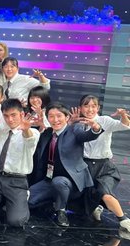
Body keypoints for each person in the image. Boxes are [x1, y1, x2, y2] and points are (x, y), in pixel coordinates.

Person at [29, 103, 103, 227]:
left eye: (59, 116)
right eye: (51, 116)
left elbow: (86, 135)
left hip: (71, 182)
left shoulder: (74, 129)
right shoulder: (48, 133)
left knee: (59, 182)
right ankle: (52, 201)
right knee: (28, 200)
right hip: (49, 180)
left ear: (67, 117)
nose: (55, 120)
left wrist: (95, 128)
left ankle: (61, 211)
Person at [0, 99, 40, 227]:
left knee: (16, 221)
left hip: (16, 181)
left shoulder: (33, 133)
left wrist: (26, 130)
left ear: (21, 114)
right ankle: (3, 200)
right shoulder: (1, 131)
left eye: (13, 115)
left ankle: (20, 198)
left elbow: (30, 142)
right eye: (6, 116)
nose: (10, 119)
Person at [77, 95, 130, 231]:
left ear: (98, 108)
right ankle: (97, 207)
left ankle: (123, 220)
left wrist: (123, 115)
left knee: (104, 192)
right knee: (86, 196)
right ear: (81, 108)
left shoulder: (104, 121)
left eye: (93, 106)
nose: (90, 109)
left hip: (104, 166)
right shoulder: (78, 124)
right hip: (85, 166)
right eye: (86, 106)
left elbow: (124, 125)